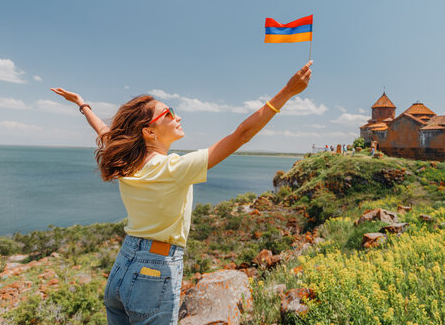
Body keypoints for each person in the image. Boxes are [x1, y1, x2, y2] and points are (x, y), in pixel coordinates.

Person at [51, 60, 312, 325]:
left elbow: (105, 133)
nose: (177, 117)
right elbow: (241, 135)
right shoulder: (171, 169)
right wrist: (287, 92)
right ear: (149, 131)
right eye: (168, 113)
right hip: (153, 271)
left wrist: (82, 105)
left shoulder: (127, 161)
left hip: (122, 267)